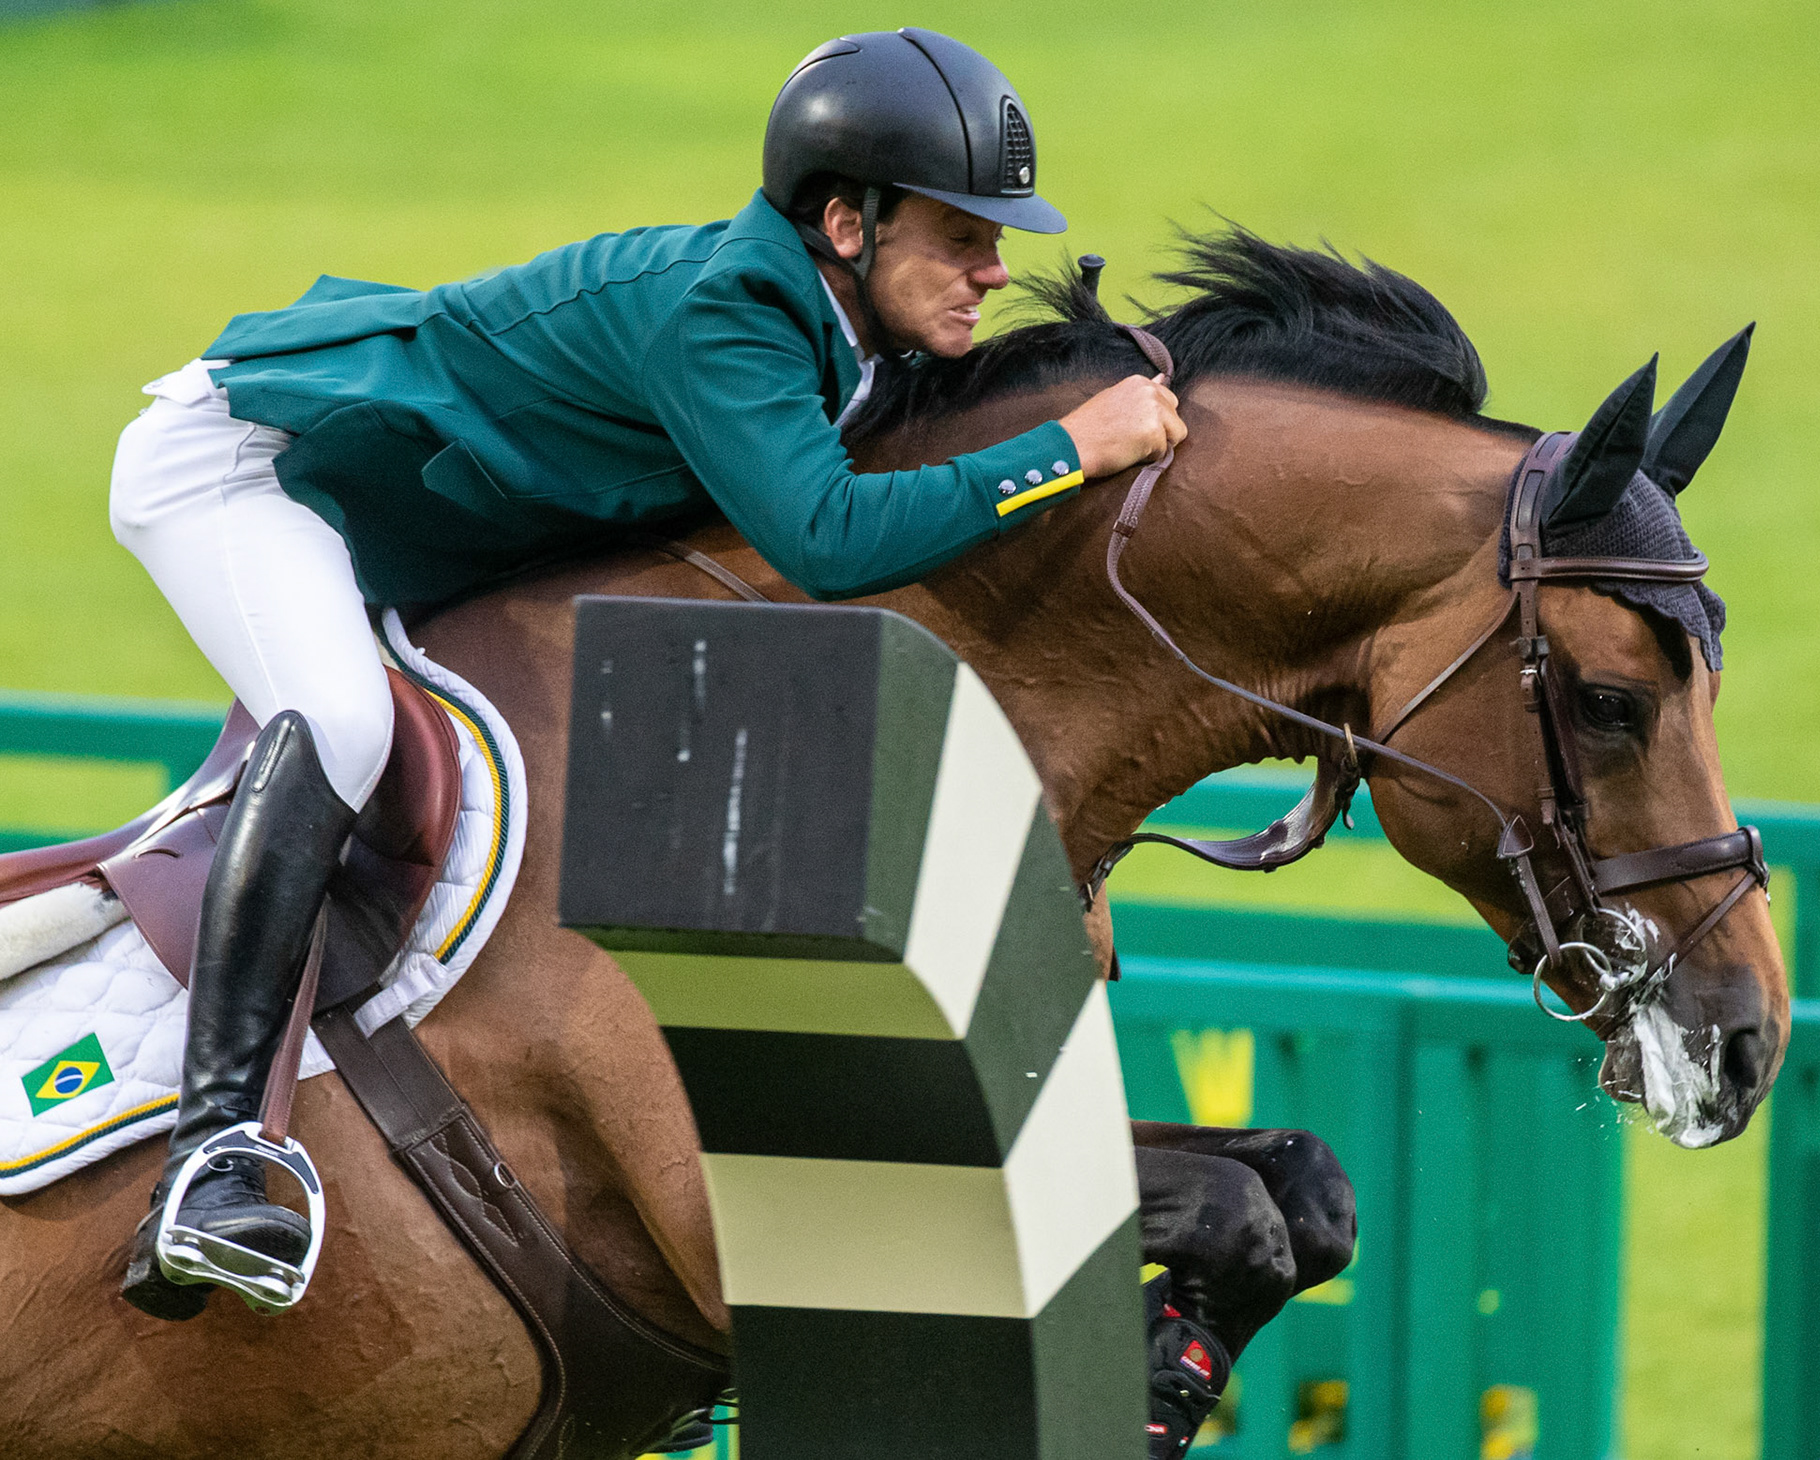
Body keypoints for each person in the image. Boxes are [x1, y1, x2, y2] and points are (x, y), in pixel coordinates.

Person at [109, 28, 1185, 1322]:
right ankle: (216, 1155)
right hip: (242, 468)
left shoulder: (844, 323)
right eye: (962, 238)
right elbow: (833, 541)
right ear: (847, 224)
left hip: (411, 515)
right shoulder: (727, 313)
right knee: (337, 722)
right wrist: (1072, 444)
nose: (994, 270)